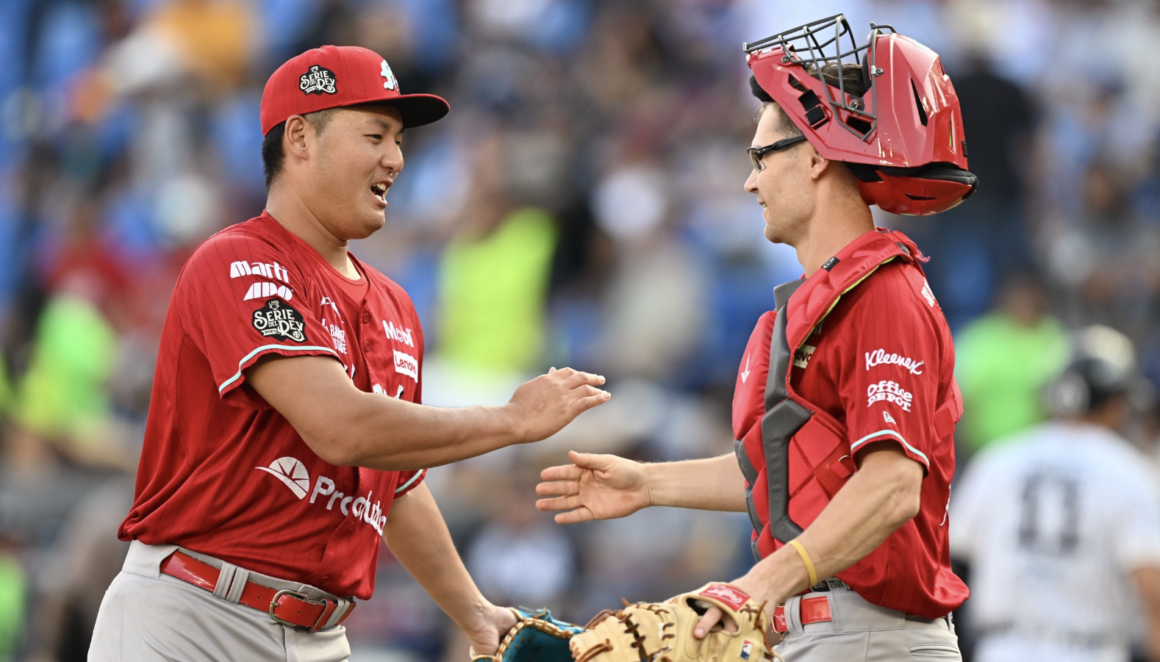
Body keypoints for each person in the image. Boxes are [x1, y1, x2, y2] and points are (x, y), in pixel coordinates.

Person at [88, 45, 610, 662]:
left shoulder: (395, 305)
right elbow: (341, 428)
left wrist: (474, 613)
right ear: (302, 138)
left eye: (398, 139)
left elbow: (395, 482)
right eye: (375, 134)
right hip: (194, 616)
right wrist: (513, 421)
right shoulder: (238, 262)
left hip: (321, 635)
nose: (396, 157)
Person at [536, 15, 976, 661]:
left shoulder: (883, 291)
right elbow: (783, 478)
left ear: (819, 154)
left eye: (760, 158)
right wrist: (647, 486)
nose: (750, 182)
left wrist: (761, 581)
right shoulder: (810, 304)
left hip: (870, 635)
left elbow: (891, 486)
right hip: (814, 629)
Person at [950, 326, 1160, 662]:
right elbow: (1153, 592)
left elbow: (951, 566)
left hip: (1001, 649)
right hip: (1092, 651)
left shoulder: (998, 459)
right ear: (1115, 401)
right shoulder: (1131, 472)